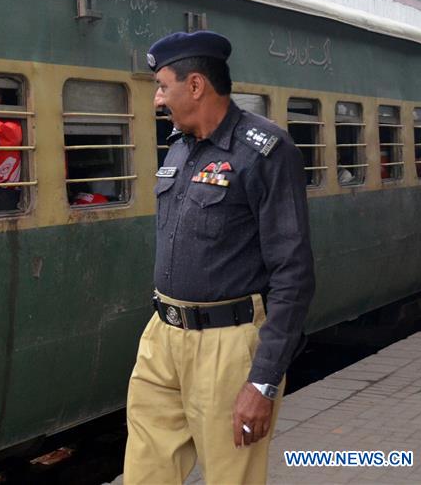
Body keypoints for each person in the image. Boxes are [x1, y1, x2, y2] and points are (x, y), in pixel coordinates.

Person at [124, 31, 315, 484]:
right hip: (162, 338)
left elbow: (294, 274)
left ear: (195, 86)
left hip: (227, 349)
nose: (156, 101)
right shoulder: (178, 148)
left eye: (162, 87)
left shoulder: (265, 151)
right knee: (143, 476)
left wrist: (263, 381)